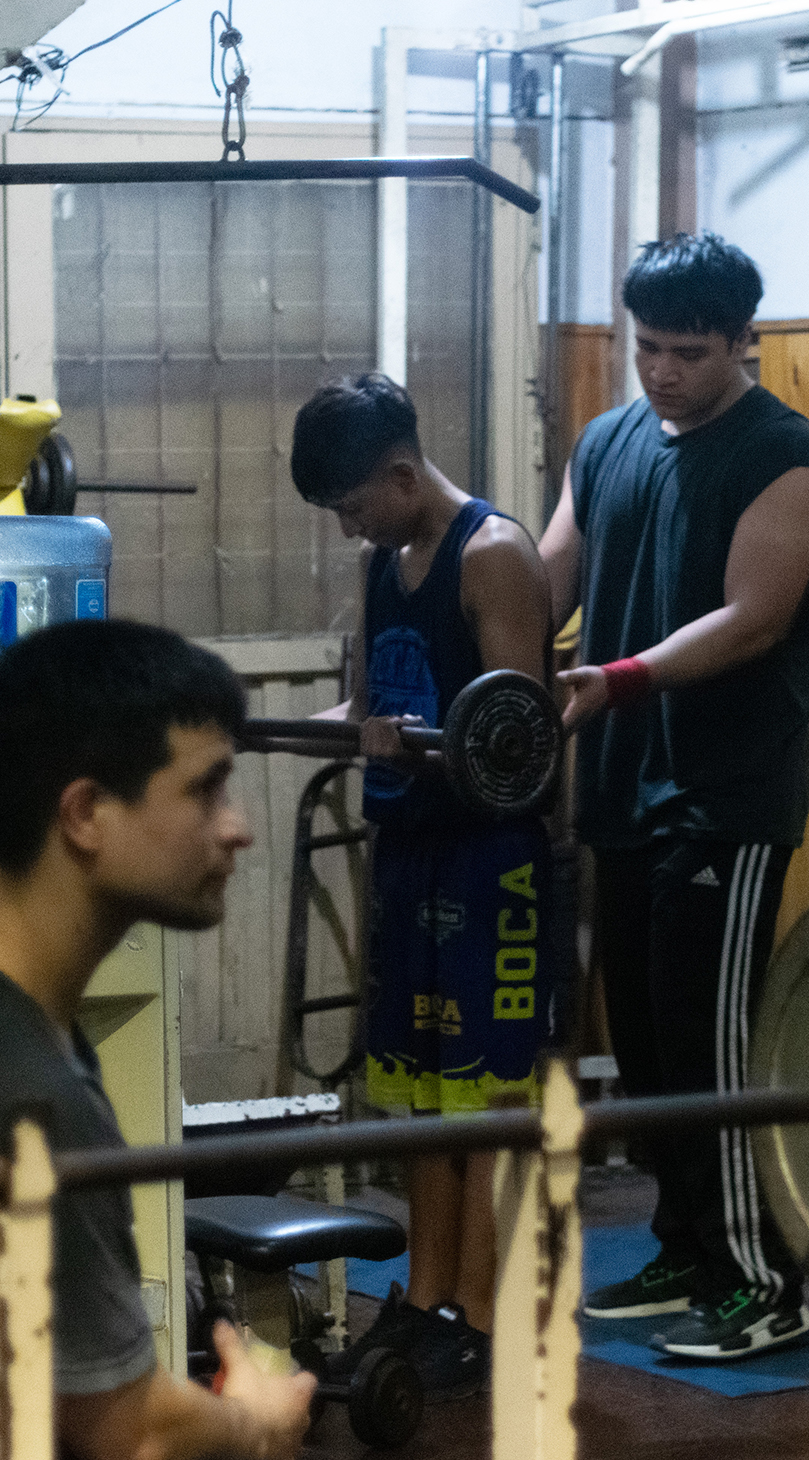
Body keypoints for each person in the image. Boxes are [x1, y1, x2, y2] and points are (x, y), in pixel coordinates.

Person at [539, 231, 809, 1361]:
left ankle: (764, 1277)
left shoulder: (783, 454)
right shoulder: (606, 439)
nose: (661, 370)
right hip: (618, 788)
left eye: (689, 352)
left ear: (742, 342)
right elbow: (546, 570)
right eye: (645, 346)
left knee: (711, 1054)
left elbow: (752, 616)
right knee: (648, 1049)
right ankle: (686, 1242)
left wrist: (616, 677)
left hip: (723, 799)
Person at [290, 372, 554, 1400]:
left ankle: (479, 1314)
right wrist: (223, 726)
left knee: (479, 1102)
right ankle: (429, 1289)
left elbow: (520, 743)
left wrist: (422, 746)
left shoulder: (493, 556)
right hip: (407, 853)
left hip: (491, 866)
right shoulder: (383, 561)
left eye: (355, 503)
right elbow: (363, 705)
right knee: (412, 1094)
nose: (350, 524)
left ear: (400, 472)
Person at [0, 618, 316, 1460]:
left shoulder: (43, 1033)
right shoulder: (29, 1088)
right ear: (87, 814)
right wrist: (257, 1423)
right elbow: (128, 1434)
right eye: (206, 790)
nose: (237, 828)